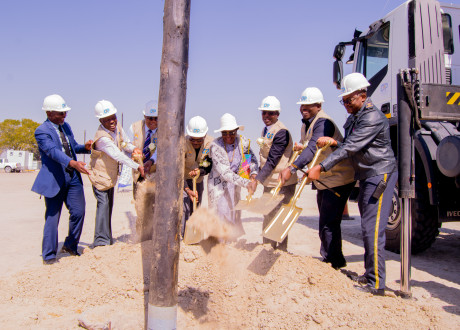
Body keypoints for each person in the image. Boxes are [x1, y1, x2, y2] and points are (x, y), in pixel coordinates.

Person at [307, 73, 397, 295]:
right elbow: (347, 143)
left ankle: (376, 283)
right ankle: (370, 274)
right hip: (366, 175)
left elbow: (350, 148)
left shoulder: (372, 118)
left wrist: (321, 167)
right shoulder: (356, 116)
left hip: (379, 173)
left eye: (349, 100)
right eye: (343, 100)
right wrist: (334, 141)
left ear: (363, 95)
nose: (346, 104)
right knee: (368, 227)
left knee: (372, 229)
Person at [279, 87, 355, 268]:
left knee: (328, 222)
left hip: (338, 178)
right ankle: (334, 259)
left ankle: (333, 262)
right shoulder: (307, 123)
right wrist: (300, 148)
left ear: (318, 105)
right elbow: (309, 146)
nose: (304, 108)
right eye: (302, 105)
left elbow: (313, 148)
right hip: (325, 179)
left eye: (309, 105)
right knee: (327, 221)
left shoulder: (323, 122)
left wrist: (293, 167)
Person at [32, 94, 92, 264]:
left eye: (65, 112)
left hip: (72, 178)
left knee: (79, 212)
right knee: (52, 217)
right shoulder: (42, 131)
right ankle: (49, 256)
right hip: (54, 179)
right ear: (50, 113)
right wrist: (73, 163)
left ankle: (70, 246)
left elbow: (71, 147)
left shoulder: (66, 127)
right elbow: (53, 152)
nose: (64, 116)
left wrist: (85, 148)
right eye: (61, 113)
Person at [89, 100, 144, 247]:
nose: (112, 121)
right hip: (100, 177)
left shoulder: (117, 127)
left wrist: (133, 149)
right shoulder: (101, 138)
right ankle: (101, 241)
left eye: (113, 117)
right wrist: (137, 166)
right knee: (103, 205)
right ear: (101, 120)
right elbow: (117, 155)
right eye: (107, 119)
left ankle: (107, 239)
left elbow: (124, 142)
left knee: (109, 205)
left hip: (110, 177)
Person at [255, 96, 297, 251]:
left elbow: (273, 160)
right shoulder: (266, 130)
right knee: (267, 213)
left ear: (277, 114)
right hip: (269, 181)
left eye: (270, 113)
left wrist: (257, 180)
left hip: (283, 182)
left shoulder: (281, 132)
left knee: (280, 216)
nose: (266, 116)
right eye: (264, 113)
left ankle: (281, 250)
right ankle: (267, 247)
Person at [207, 113, 258, 235]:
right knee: (221, 211)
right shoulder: (215, 146)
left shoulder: (243, 142)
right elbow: (225, 173)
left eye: (231, 132)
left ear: (236, 130)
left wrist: (253, 175)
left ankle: (231, 241)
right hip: (219, 185)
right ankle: (220, 242)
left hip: (235, 185)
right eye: (225, 133)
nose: (228, 136)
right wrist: (247, 183)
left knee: (234, 211)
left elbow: (250, 160)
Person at [182, 116, 213, 237]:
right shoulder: (182, 143)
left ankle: (194, 236)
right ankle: (183, 236)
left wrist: (200, 171)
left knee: (196, 207)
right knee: (184, 208)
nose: (195, 142)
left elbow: (208, 164)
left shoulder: (210, 144)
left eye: (199, 140)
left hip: (198, 180)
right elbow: (178, 170)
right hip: (183, 180)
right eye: (192, 139)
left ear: (205, 135)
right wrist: (187, 189)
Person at [130, 100, 158, 198]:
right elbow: (127, 146)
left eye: (156, 118)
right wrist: (132, 155)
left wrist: (151, 161)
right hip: (138, 173)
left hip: (155, 174)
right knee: (139, 204)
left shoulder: (164, 130)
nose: (153, 121)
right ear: (144, 116)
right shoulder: (134, 128)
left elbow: (160, 150)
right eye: (150, 118)